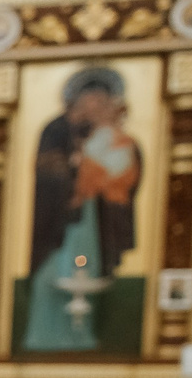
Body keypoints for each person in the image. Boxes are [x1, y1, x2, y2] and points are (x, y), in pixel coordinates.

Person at [22, 65, 139, 352]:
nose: (94, 107)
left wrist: (95, 174)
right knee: (48, 279)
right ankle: (43, 338)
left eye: (101, 102)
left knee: (89, 276)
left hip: (96, 221)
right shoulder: (57, 129)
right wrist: (75, 172)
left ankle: (80, 339)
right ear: (75, 101)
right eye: (88, 101)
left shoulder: (115, 136)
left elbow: (127, 172)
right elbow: (48, 169)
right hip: (59, 222)